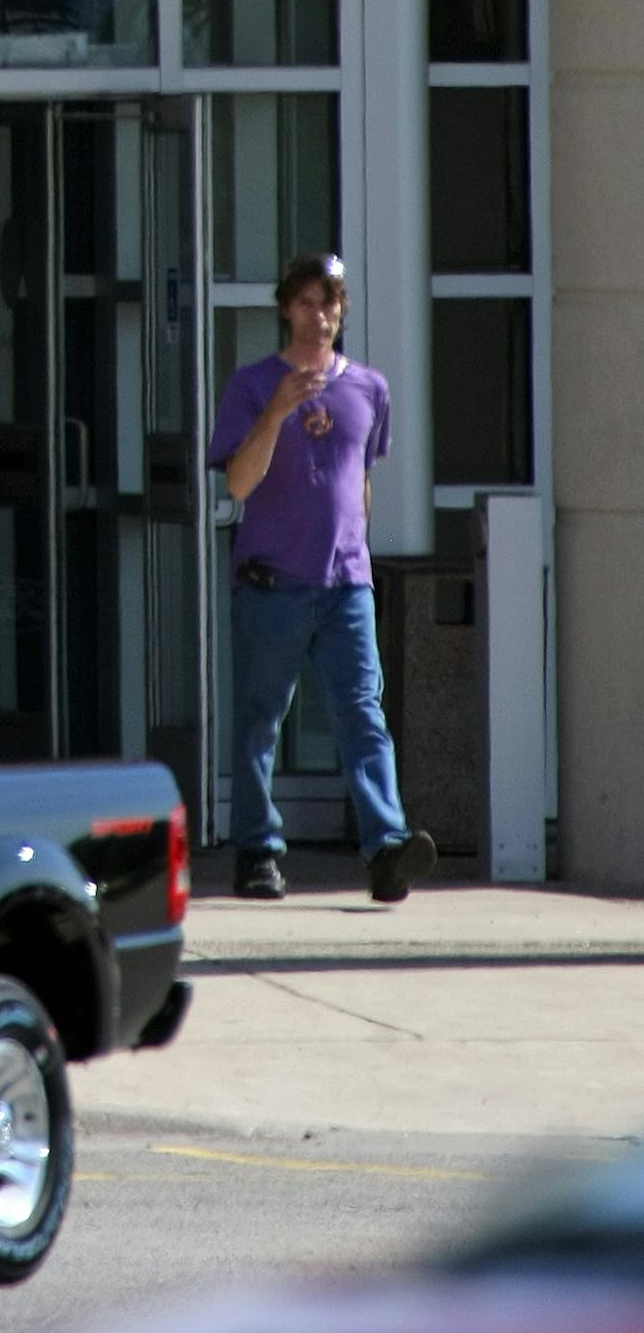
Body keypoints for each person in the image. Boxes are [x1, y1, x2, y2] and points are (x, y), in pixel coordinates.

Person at [208, 254, 436, 906]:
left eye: (330, 302)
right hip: (272, 583)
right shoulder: (254, 385)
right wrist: (277, 409)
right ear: (286, 309)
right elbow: (239, 483)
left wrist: (356, 551)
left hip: (345, 585)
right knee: (261, 720)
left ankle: (386, 848)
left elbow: (358, 480)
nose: (320, 315)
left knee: (363, 714)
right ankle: (257, 850)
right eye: (307, 302)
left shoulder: (368, 388)